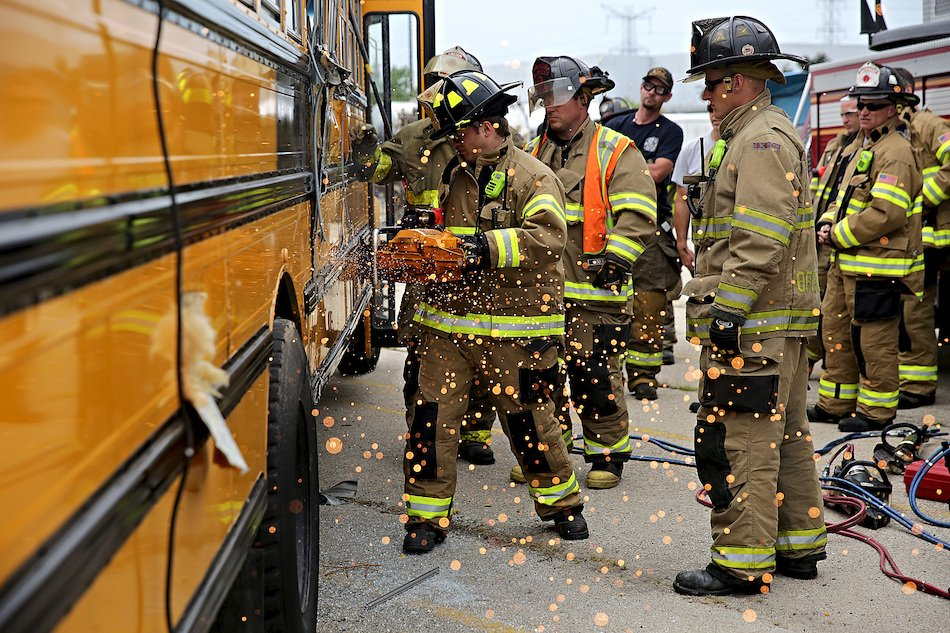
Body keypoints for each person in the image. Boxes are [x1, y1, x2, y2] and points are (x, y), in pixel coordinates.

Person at [401, 69, 588, 553]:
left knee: (530, 421)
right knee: (430, 420)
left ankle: (562, 506)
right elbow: (441, 234)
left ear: (486, 127)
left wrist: (481, 248)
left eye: (460, 131)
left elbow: (549, 239)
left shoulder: (532, 176)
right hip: (447, 329)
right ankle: (425, 516)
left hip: (516, 330)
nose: (454, 142)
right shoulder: (450, 174)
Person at [675, 16, 827, 596]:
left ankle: (740, 562)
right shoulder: (763, 132)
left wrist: (729, 314)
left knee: (744, 442)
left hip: (754, 327)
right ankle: (799, 548)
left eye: (711, 85)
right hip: (776, 324)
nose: (707, 98)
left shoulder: (759, 139)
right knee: (786, 434)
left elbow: (760, 236)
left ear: (736, 81)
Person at [350, 47, 498, 465]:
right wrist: (366, 149)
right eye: (434, 87)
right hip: (427, 267)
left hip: (479, 262)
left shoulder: (491, 137)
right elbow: (379, 171)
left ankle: (475, 432)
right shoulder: (415, 137)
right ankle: (423, 428)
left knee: (482, 350)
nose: (439, 95)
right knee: (420, 350)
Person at [523, 56, 657, 489]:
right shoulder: (531, 152)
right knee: (541, 375)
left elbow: (638, 214)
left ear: (584, 98)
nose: (549, 105)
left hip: (597, 293)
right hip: (543, 292)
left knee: (595, 375)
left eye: (557, 96)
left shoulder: (616, 150)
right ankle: (552, 451)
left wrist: (615, 260)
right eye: (543, 96)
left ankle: (607, 453)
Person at [809, 62, 923, 432]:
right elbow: (840, 197)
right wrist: (827, 223)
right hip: (847, 263)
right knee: (835, 334)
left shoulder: (896, 152)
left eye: (871, 106)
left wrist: (838, 234)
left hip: (878, 266)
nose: (862, 112)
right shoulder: (863, 147)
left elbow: (887, 211)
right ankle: (835, 403)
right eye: (860, 104)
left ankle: (876, 413)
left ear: (892, 107)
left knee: (874, 342)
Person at [604, 68, 684, 398]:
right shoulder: (615, 126)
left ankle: (643, 377)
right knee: (606, 304)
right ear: (641, 88)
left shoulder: (670, 132)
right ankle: (609, 376)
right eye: (648, 86)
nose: (651, 92)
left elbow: (658, 172)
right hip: (609, 227)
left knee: (649, 306)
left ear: (667, 97)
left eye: (659, 89)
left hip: (652, 233)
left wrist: (617, 171)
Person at [892, 66, 948, 409]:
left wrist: (922, 198)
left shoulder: (927, 124)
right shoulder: (900, 131)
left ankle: (920, 385)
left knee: (916, 310)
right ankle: (907, 377)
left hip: (929, 237)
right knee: (902, 311)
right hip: (907, 237)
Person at [805, 97, 861, 374]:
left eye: (849, 113)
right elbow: (819, 190)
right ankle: (812, 356)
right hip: (821, 235)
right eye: (842, 114)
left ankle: (816, 357)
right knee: (816, 301)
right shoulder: (834, 146)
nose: (845, 119)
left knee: (830, 309)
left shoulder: (862, 148)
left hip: (841, 239)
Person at [672, 104, 721, 275]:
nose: (714, 114)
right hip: (704, 247)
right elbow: (682, 199)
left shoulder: (744, 147)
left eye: (718, 108)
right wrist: (682, 243)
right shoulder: (692, 150)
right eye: (710, 109)